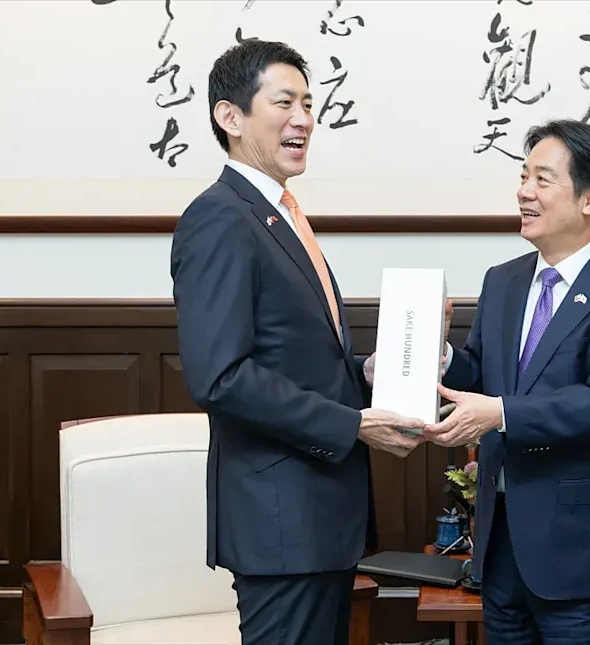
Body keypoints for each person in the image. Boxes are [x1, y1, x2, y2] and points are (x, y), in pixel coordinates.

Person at [169, 40, 427, 645]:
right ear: (230, 117)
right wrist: (351, 424)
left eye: (309, 104)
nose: (304, 120)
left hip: (317, 517)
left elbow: (293, 355)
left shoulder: (278, 213)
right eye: (284, 103)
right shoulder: (220, 218)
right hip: (281, 520)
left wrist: (367, 373)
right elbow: (221, 377)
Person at [424, 119, 590, 644]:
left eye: (542, 179)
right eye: (523, 177)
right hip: (502, 549)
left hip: (584, 557)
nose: (524, 192)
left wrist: (501, 414)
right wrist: (439, 353)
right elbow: (482, 373)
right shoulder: (503, 280)